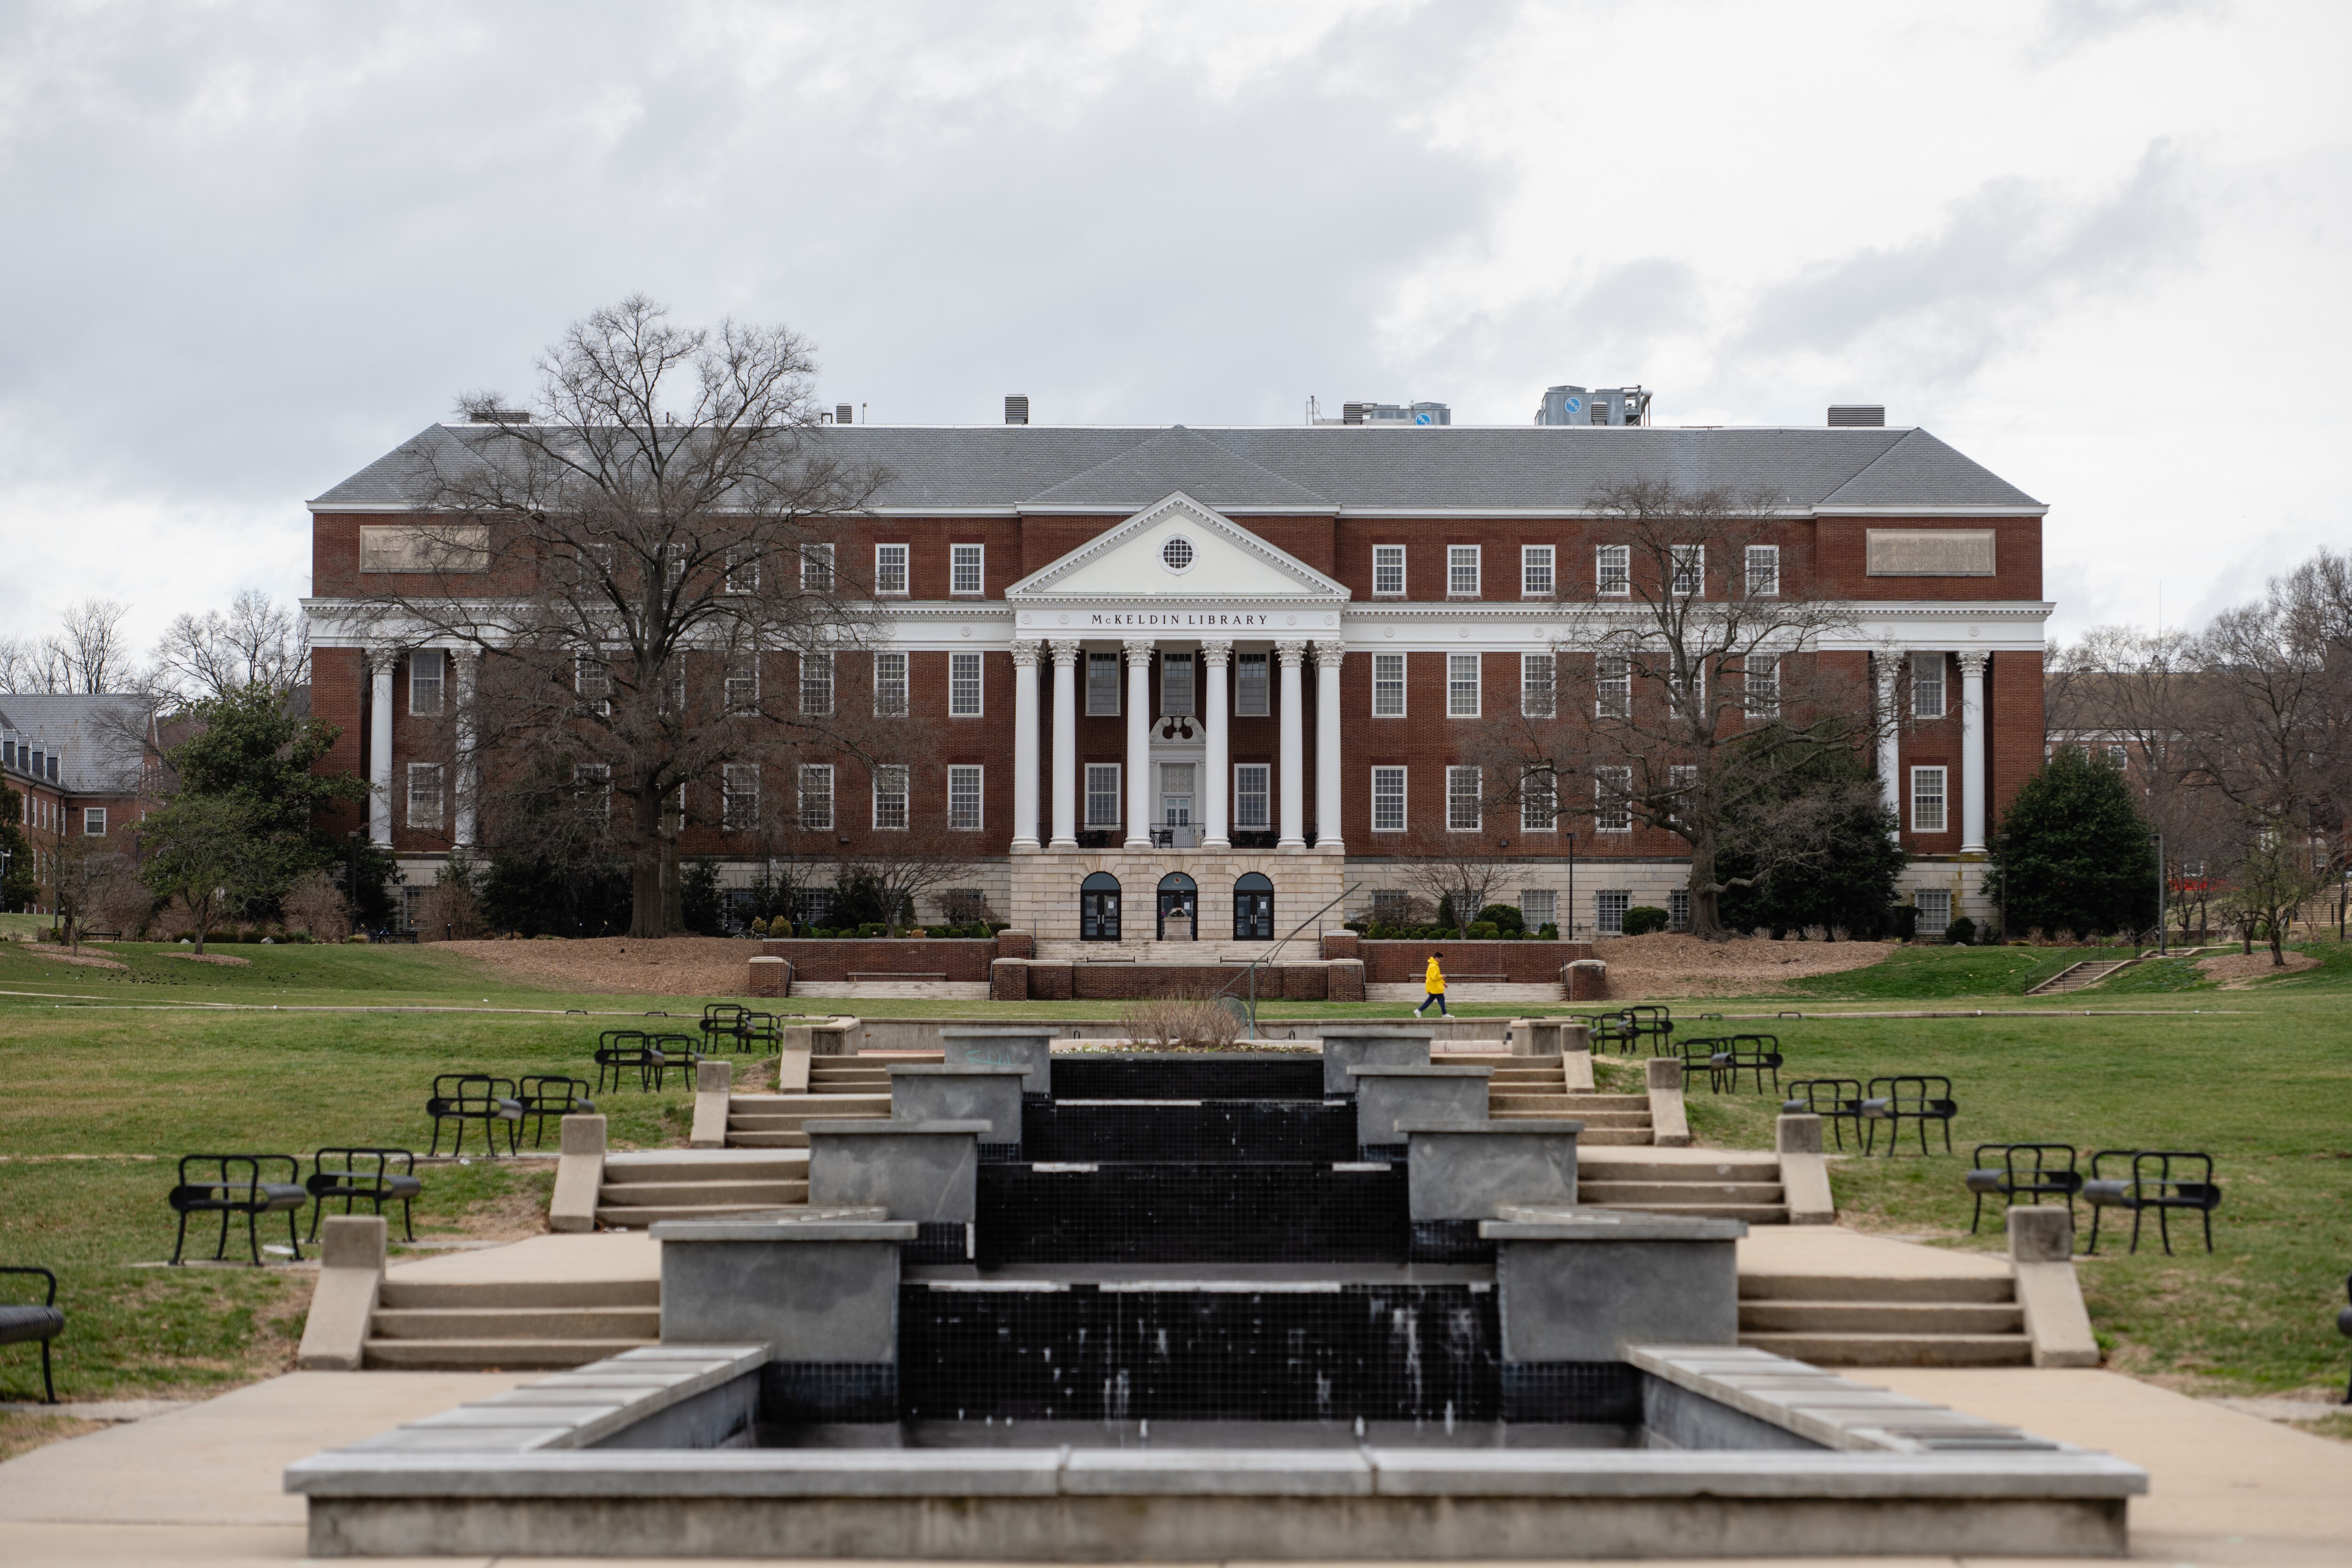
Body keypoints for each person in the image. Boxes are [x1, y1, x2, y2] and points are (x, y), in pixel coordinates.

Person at [1414, 950, 1447, 1016]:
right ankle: (1444, 1014)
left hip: (1434, 986)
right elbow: (1434, 977)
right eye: (1440, 959)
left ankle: (1419, 1011)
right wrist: (1442, 977)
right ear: (1437, 958)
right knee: (1441, 998)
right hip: (1435, 986)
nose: (1441, 961)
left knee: (1431, 999)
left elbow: (1435, 976)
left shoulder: (1434, 965)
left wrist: (1443, 983)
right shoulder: (1434, 966)